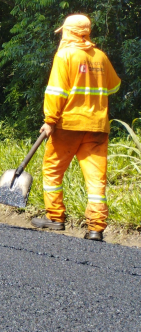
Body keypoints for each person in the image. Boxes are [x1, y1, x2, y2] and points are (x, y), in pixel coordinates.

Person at [31, 14, 121, 242]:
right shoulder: (100, 56)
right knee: (96, 180)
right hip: (97, 127)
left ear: (69, 32)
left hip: (68, 126)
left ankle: (55, 217)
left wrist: (50, 120)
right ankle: (96, 229)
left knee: (53, 171)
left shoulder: (65, 55)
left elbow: (56, 91)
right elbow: (114, 86)